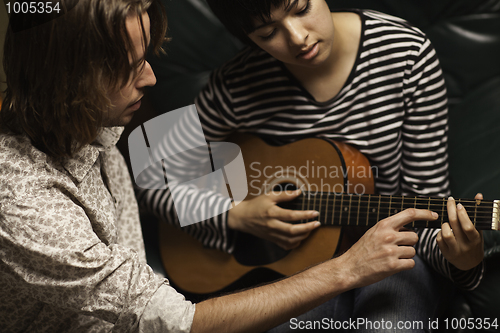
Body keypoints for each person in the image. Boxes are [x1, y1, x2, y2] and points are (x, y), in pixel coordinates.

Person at [0, 1, 482, 333]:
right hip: (299, 275)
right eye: (267, 31)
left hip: (391, 257)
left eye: (300, 7)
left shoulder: (405, 56)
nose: (296, 38)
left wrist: (462, 264)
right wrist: (234, 216)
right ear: (246, 38)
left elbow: (428, 222)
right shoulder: (238, 86)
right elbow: (153, 170)